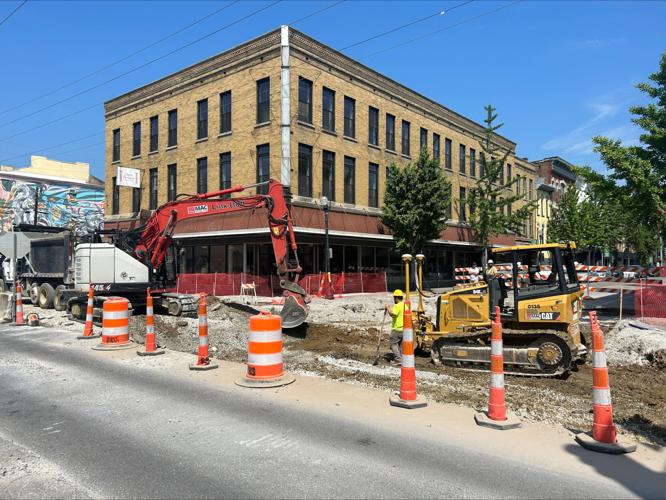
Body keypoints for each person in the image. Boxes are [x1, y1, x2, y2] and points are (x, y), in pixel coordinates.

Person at [385, 289, 405, 365]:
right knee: (400, 345)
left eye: (394, 298)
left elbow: (393, 314)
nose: (394, 299)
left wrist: (388, 308)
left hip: (397, 328)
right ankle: (402, 359)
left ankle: (398, 359)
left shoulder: (397, 306)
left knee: (393, 343)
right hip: (404, 329)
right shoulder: (404, 305)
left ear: (396, 298)